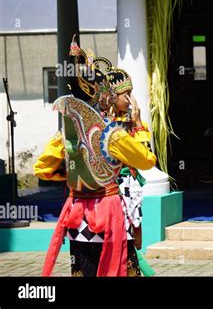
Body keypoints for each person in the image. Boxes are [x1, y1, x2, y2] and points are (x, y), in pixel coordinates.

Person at [33, 37, 157, 276]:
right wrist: (140, 127)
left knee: (83, 270)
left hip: (77, 216)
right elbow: (147, 160)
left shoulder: (65, 134)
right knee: (119, 268)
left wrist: (74, 177)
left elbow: (43, 169)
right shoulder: (113, 134)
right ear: (104, 97)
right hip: (109, 214)